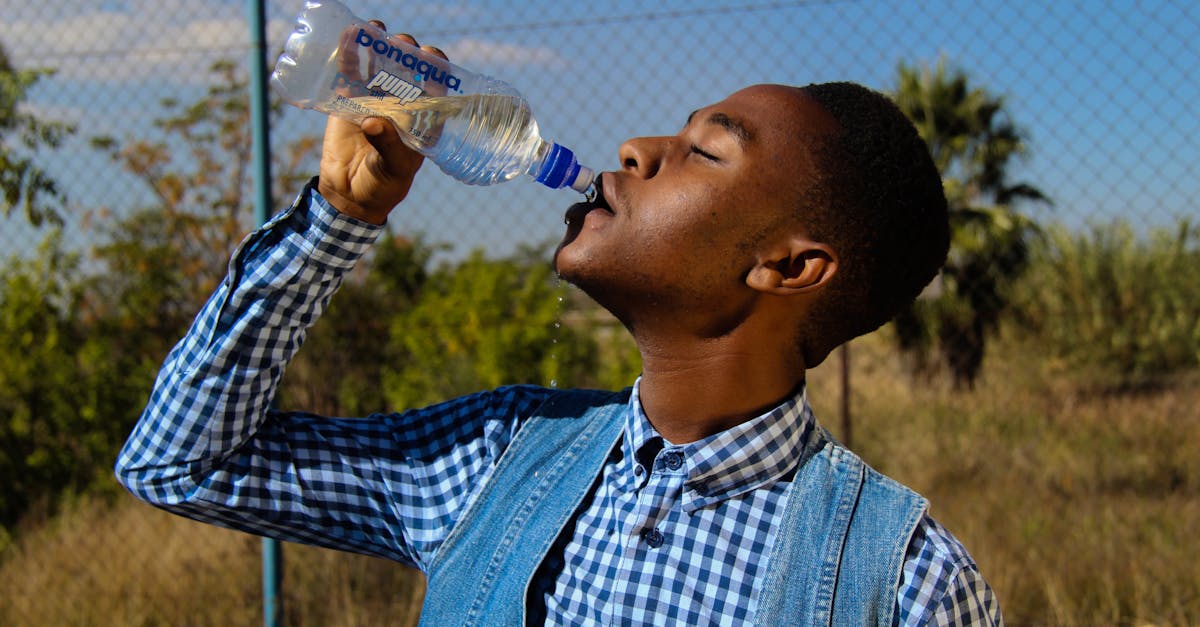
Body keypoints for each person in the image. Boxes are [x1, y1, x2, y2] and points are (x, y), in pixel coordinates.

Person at [116, 28, 1002, 626]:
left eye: (704, 150)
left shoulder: (906, 587)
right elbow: (181, 461)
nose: (637, 151)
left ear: (789, 268)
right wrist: (338, 221)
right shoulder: (500, 454)